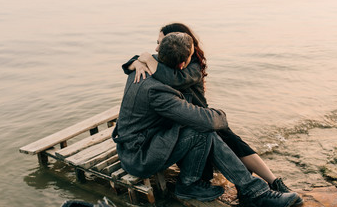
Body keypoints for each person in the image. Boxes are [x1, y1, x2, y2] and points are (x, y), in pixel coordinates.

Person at [113, 32, 302, 206]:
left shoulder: (146, 66)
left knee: (201, 127)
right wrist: (220, 115)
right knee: (202, 128)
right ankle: (239, 191)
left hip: (144, 141)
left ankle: (253, 191)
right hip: (139, 157)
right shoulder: (157, 91)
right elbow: (207, 121)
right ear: (181, 65)